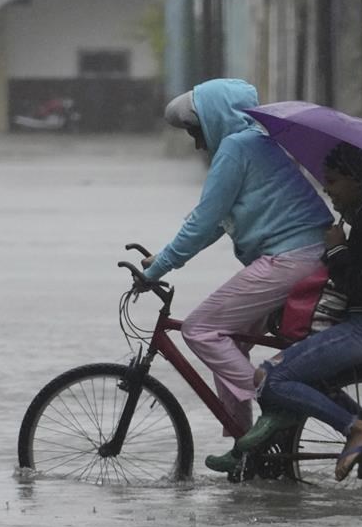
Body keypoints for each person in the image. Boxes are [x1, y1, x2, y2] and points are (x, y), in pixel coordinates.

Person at [207, 142, 362, 481]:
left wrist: (337, 250)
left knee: (272, 377)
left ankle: (356, 429)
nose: (327, 190)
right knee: (311, 378)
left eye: (332, 181)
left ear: (356, 180)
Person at [139, 78, 333, 460]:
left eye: (197, 131)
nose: (197, 143)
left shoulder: (235, 147)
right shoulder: (253, 142)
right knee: (228, 347)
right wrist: (162, 257)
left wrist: (156, 271)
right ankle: (247, 448)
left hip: (291, 258)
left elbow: (202, 222)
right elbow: (213, 223)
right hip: (302, 254)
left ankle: (275, 403)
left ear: (216, 120)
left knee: (200, 330)